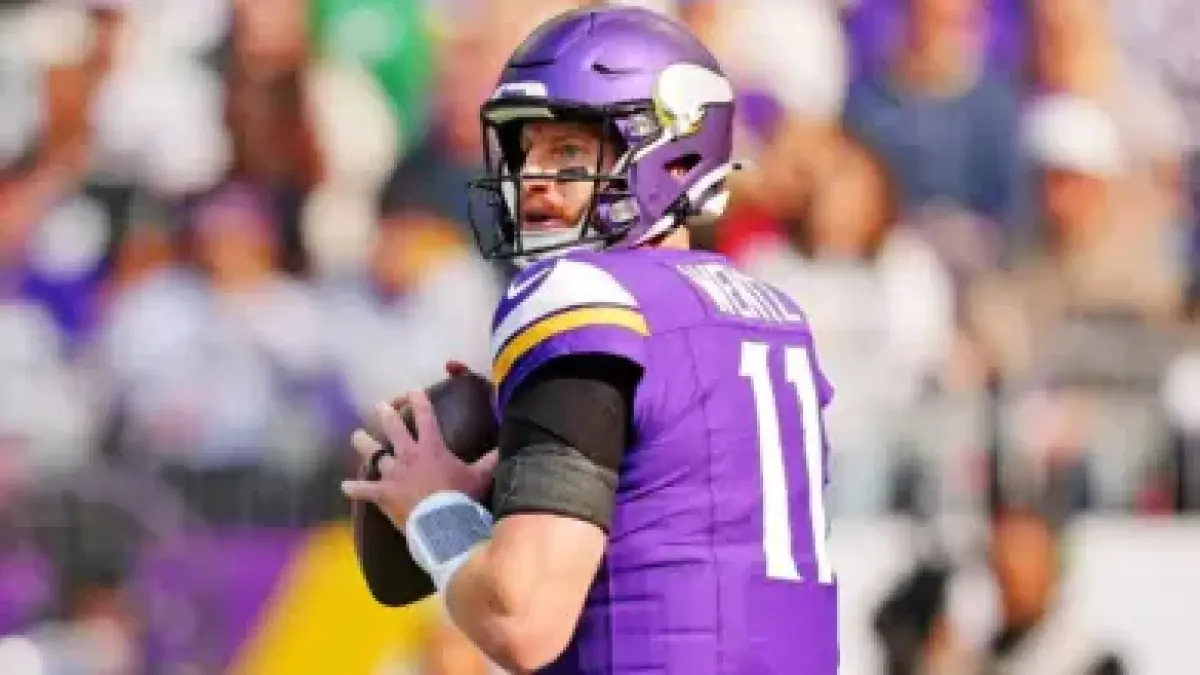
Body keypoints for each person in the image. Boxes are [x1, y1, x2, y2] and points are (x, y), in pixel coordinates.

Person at [340, 6, 839, 674]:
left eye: (569, 152)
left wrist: (432, 508)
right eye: (527, 151)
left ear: (674, 155)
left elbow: (521, 619)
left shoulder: (580, 295)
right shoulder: (772, 312)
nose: (534, 178)